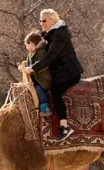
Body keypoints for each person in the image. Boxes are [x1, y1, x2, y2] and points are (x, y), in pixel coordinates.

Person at [27, 9, 83, 141]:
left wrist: (34, 68)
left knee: (55, 92)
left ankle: (64, 127)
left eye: (44, 20)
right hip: (60, 72)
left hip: (69, 72)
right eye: (40, 20)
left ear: (52, 20)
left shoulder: (60, 35)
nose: (41, 23)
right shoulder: (49, 34)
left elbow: (51, 56)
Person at [23, 31, 51, 115]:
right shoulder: (30, 55)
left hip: (43, 78)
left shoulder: (42, 52)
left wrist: (32, 70)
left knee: (38, 89)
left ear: (31, 43)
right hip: (36, 78)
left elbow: (44, 65)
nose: (26, 48)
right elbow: (29, 66)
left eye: (26, 45)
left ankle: (44, 108)